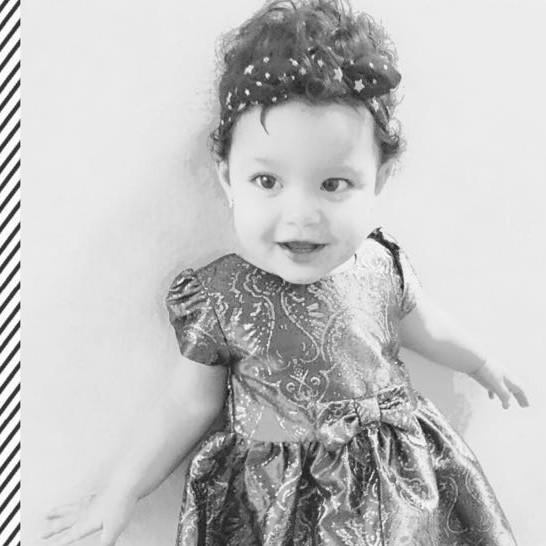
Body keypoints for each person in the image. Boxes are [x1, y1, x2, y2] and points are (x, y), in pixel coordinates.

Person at [41, 0, 530, 544]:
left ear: (379, 180)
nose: (300, 215)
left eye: (333, 184)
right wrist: (122, 491)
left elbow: (426, 327)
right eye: (267, 182)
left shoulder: (379, 265)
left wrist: (481, 362)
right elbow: (187, 404)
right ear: (227, 178)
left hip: (397, 494)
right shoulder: (220, 296)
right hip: (276, 502)